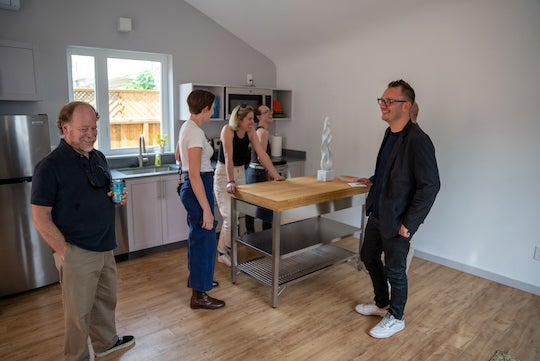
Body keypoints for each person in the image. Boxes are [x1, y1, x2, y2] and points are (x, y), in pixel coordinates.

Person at [31, 101, 134, 361]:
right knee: (78, 315)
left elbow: (104, 192)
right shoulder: (50, 166)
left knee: (105, 303)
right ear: (65, 128)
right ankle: (75, 357)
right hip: (77, 250)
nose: (91, 134)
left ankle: (106, 344)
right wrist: (66, 252)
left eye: (94, 128)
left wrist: (117, 198)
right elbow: (40, 217)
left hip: (105, 245)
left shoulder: (97, 157)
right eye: (84, 128)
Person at [354, 80, 440, 339]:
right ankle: (382, 304)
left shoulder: (418, 140)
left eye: (390, 101)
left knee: (395, 270)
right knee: (368, 256)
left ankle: (397, 317)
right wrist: (373, 179)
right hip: (379, 213)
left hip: (398, 220)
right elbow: (393, 169)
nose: (384, 105)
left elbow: (431, 186)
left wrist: (409, 224)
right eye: (382, 100)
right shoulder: (390, 133)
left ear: (407, 106)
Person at [214, 104, 285, 266]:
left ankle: (226, 248)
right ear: (238, 119)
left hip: (240, 172)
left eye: (253, 118)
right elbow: (228, 156)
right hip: (224, 174)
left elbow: (262, 154)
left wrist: (276, 175)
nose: (252, 122)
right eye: (249, 119)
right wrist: (231, 181)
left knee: (236, 217)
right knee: (229, 217)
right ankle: (222, 251)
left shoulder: (250, 131)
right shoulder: (227, 130)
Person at [178, 89, 225, 310]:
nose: (213, 111)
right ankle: (199, 295)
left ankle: (198, 280)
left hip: (194, 186)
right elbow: (195, 174)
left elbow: (179, 156)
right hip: (199, 186)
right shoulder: (195, 132)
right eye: (213, 107)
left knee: (197, 237)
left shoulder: (187, 127)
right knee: (204, 241)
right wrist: (207, 209)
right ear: (205, 108)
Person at [245, 104, 274, 233]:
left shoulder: (259, 131)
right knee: (266, 207)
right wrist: (272, 173)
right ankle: (265, 236)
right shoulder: (262, 132)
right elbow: (261, 157)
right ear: (259, 117)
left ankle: (253, 236)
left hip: (255, 172)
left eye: (269, 111)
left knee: (252, 208)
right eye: (266, 112)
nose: (270, 113)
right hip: (257, 172)